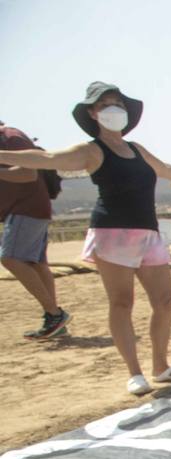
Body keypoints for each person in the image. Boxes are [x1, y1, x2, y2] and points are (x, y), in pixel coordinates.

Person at [0, 82, 171, 394]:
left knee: (165, 301)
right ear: (93, 113)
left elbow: (165, 169)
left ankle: (161, 367)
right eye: (105, 103)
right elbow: (47, 158)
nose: (113, 108)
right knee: (122, 302)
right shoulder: (91, 151)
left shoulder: (137, 149)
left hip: (148, 233)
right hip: (112, 234)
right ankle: (135, 373)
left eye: (117, 103)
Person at [0, 119, 67, 340]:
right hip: (29, 208)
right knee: (37, 263)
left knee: (9, 258)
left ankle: (55, 314)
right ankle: (54, 321)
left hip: (26, 208)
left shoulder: (11, 137)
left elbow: (28, 174)